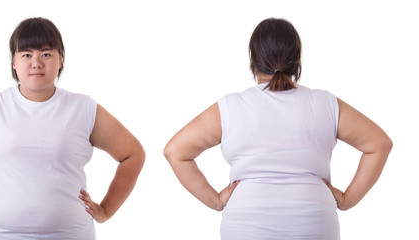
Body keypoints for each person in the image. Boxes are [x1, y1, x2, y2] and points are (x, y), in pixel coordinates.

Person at [164, 18, 392, 239]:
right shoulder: (324, 103)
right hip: (313, 222)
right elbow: (379, 144)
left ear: (253, 61)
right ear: (297, 60)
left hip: (246, 225)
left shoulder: (231, 107)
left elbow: (175, 151)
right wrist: (346, 199)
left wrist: (216, 200)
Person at [0, 17, 145, 240]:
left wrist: (106, 210)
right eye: (26, 54)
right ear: (14, 62)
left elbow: (132, 154)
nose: (36, 62)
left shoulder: (83, 108)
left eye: (46, 54)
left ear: (60, 60)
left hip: (69, 233)